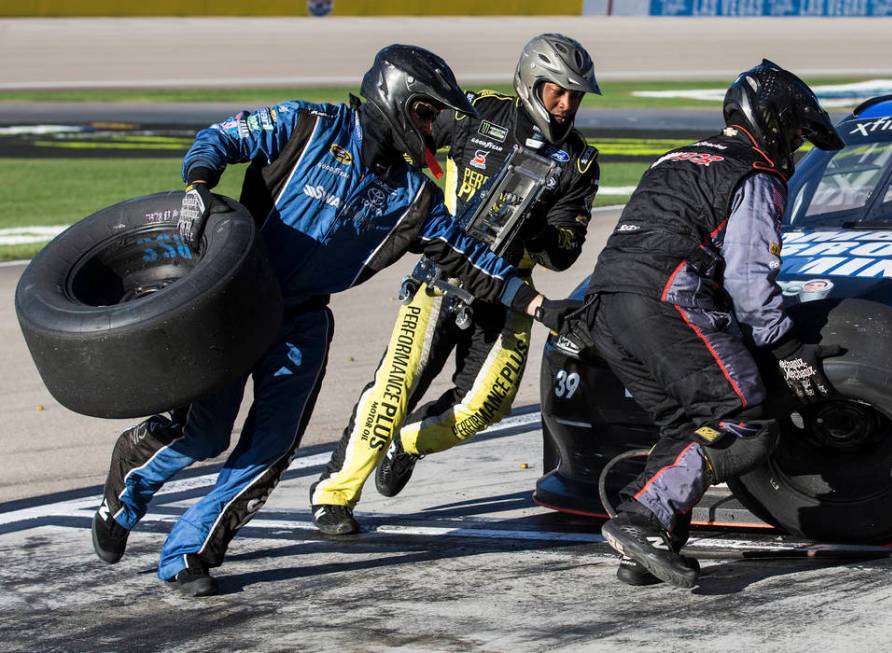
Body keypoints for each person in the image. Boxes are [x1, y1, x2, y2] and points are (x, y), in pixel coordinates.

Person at [89, 44, 574, 597]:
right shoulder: (307, 123)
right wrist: (198, 185)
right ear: (396, 97)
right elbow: (221, 137)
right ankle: (124, 489)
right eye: (429, 112)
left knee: (270, 450)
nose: (438, 128)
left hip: (302, 324)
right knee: (202, 435)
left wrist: (539, 306)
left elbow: (471, 258)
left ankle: (188, 553)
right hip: (232, 302)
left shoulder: (415, 195)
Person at [308, 33, 601, 535]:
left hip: (512, 293)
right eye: (558, 91)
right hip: (441, 276)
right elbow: (406, 128)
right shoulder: (478, 113)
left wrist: (537, 229)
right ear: (532, 83)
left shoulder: (580, 162)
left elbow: (566, 251)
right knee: (393, 390)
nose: (566, 104)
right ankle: (333, 495)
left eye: (575, 94)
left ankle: (406, 443)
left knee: (483, 408)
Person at [573, 59, 845, 588]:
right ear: (772, 122)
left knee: (686, 424)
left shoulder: (680, 156)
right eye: (794, 132)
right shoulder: (757, 172)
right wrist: (786, 346)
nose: (793, 146)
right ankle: (642, 519)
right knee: (740, 419)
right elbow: (748, 279)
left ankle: (647, 547)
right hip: (666, 301)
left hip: (604, 304)